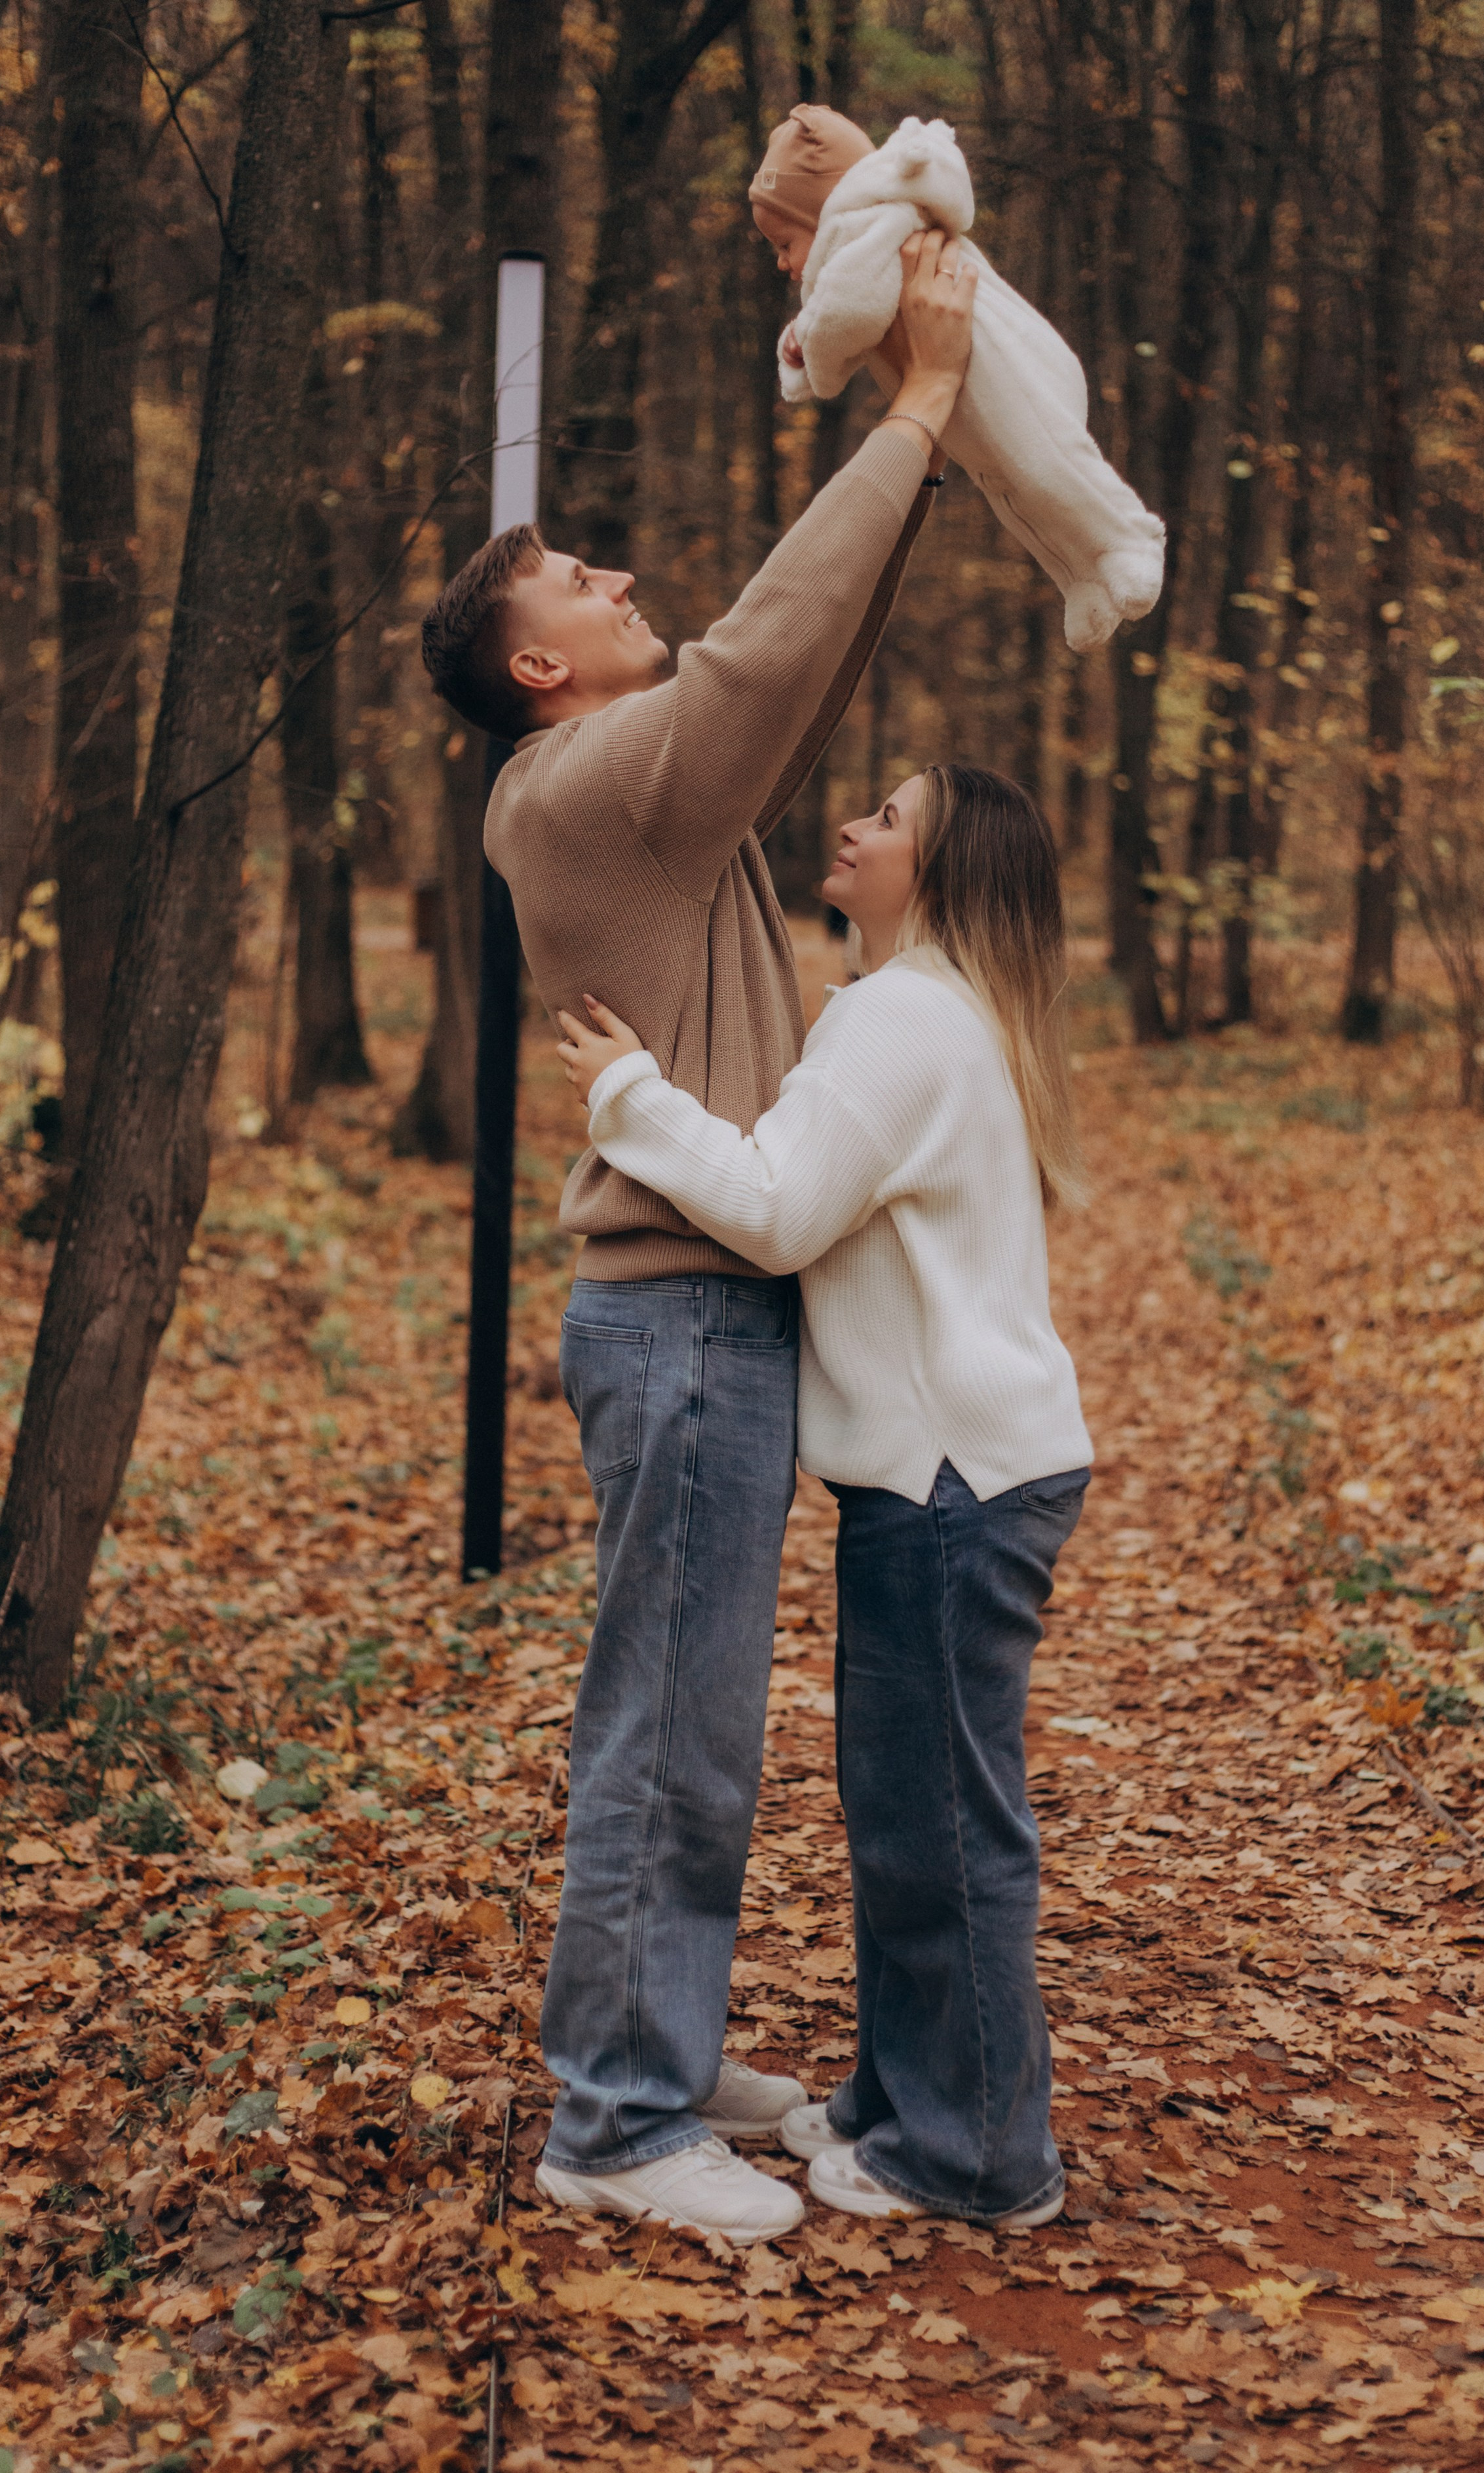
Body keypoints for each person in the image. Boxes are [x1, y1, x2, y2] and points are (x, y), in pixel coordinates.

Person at [418, 231, 978, 2244]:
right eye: (583, 579)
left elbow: (792, 657)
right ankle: (616, 2114)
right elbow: (758, 651)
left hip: (715, 1318)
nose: (623, 577)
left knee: (700, 1718)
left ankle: (654, 2034)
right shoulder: (581, 790)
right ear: (539, 666)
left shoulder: (652, 794)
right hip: (675, 1322)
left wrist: (921, 446)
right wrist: (906, 409)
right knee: (668, 1721)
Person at [556, 763, 1094, 2228]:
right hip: (951, 1470)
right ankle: (904, 2094)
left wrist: (628, 1099)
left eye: (888, 821)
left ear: (933, 870)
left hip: (947, 1480)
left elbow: (779, 1208)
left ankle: (978, 2155)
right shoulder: (927, 1008)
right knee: (908, 1804)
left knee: (940, 1822)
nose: (850, 829)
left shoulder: (900, 1013)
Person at [750, 104, 1165, 653]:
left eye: (785, 243)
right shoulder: (862, 242)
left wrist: (812, 358)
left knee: (1048, 470)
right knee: (1012, 493)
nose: (782, 263)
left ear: (824, 212)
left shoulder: (872, 228)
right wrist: (805, 341)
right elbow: (844, 312)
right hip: (970, 399)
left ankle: (1132, 537)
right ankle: (1080, 578)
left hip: (1012, 375)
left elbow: (850, 314)